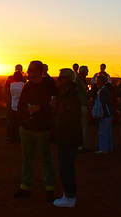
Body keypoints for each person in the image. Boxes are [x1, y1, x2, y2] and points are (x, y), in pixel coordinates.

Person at [13, 60, 57, 202]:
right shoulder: (27, 86)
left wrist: (41, 108)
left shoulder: (49, 86)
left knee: (46, 159)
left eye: (31, 70)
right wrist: (21, 123)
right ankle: (25, 186)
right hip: (27, 128)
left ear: (39, 71)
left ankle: (50, 188)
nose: (28, 71)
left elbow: (54, 105)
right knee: (27, 159)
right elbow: (21, 106)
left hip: (42, 128)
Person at [51, 69, 83, 207]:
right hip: (68, 136)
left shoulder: (70, 95)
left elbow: (70, 116)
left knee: (66, 166)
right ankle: (68, 195)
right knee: (66, 166)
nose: (59, 79)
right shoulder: (67, 94)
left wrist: (58, 127)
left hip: (68, 136)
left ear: (68, 79)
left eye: (62, 77)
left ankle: (69, 197)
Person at [4, 64, 26, 141]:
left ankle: (18, 136)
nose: (18, 70)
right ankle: (10, 135)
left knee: (18, 120)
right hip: (11, 101)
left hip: (20, 103)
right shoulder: (10, 78)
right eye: (17, 69)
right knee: (11, 119)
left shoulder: (24, 80)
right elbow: (5, 88)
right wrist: (7, 97)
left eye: (19, 69)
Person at [95, 75, 114, 154]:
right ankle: (109, 147)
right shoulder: (104, 90)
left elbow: (102, 103)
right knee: (107, 131)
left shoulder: (103, 91)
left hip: (105, 113)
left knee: (103, 131)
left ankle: (103, 148)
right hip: (107, 113)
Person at [75, 65, 90, 151]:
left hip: (82, 104)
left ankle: (82, 145)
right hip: (81, 105)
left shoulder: (80, 80)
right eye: (87, 71)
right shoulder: (79, 81)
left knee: (83, 126)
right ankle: (81, 146)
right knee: (82, 126)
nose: (88, 73)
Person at [8, 71, 25, 143]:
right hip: (21, 106)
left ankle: (13, 138)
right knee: (21, 123)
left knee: (14, 123)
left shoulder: (11, 85)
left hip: (13, 105)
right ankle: (21, 138)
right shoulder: (23, 85)